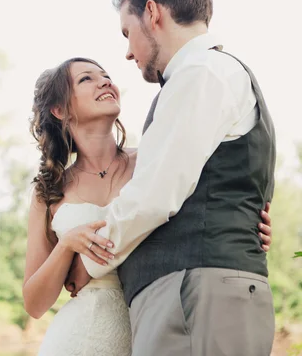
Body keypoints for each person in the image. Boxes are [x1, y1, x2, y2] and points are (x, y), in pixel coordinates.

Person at [65, 0, 277, 356]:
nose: (128, 52)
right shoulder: (206, 76)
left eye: (128, 32)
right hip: (197, 293)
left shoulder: (201, 73)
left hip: (194, 294)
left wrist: (89, 263)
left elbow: (154, 196)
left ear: (152, 13)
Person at [22, 57, 273, 356]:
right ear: (60, 110)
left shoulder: (153, 163)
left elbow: (204, 211)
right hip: (74, 340)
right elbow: (35, 304)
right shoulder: (48, 191)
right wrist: (66, 246)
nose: (105, 81)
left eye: (106, 75)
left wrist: (247, 226)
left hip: (155, 326)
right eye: (86, 79)